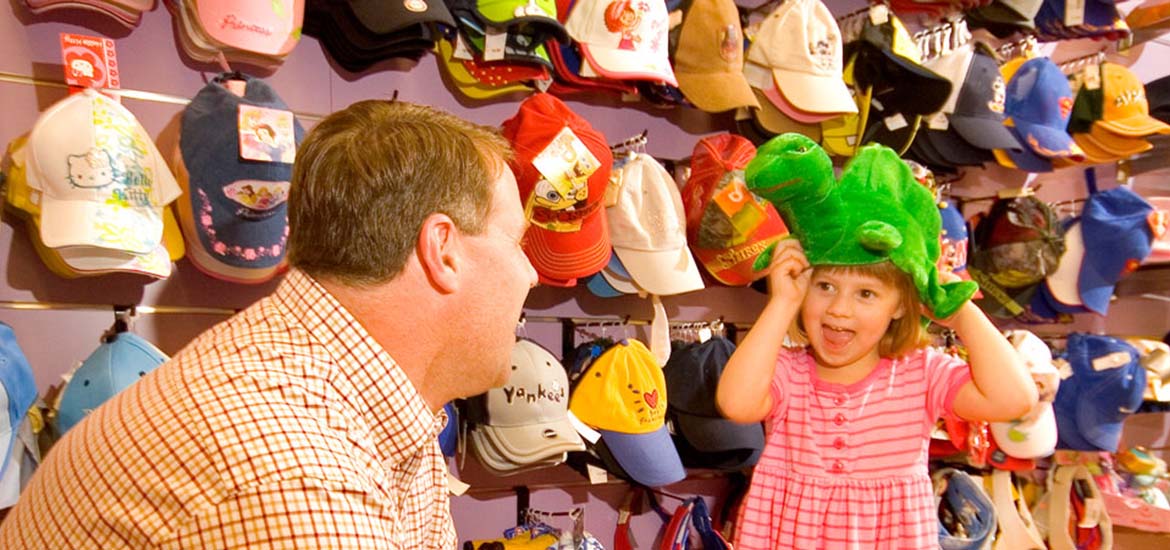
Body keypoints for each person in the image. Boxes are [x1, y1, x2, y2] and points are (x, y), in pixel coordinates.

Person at [0, 100, 538, 549]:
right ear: (443, 250)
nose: (532, 275)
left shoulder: (361, 403)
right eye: (515, 242)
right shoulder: (295, 475)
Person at [715, 237, 1038, 549]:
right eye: (825, 286)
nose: (839, 309)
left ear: (899, 305)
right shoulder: (787, 370)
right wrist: (782, 302)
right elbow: (735, 404)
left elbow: (1014, 399)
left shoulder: (920, 373)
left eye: (866, 293)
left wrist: (963, 316)